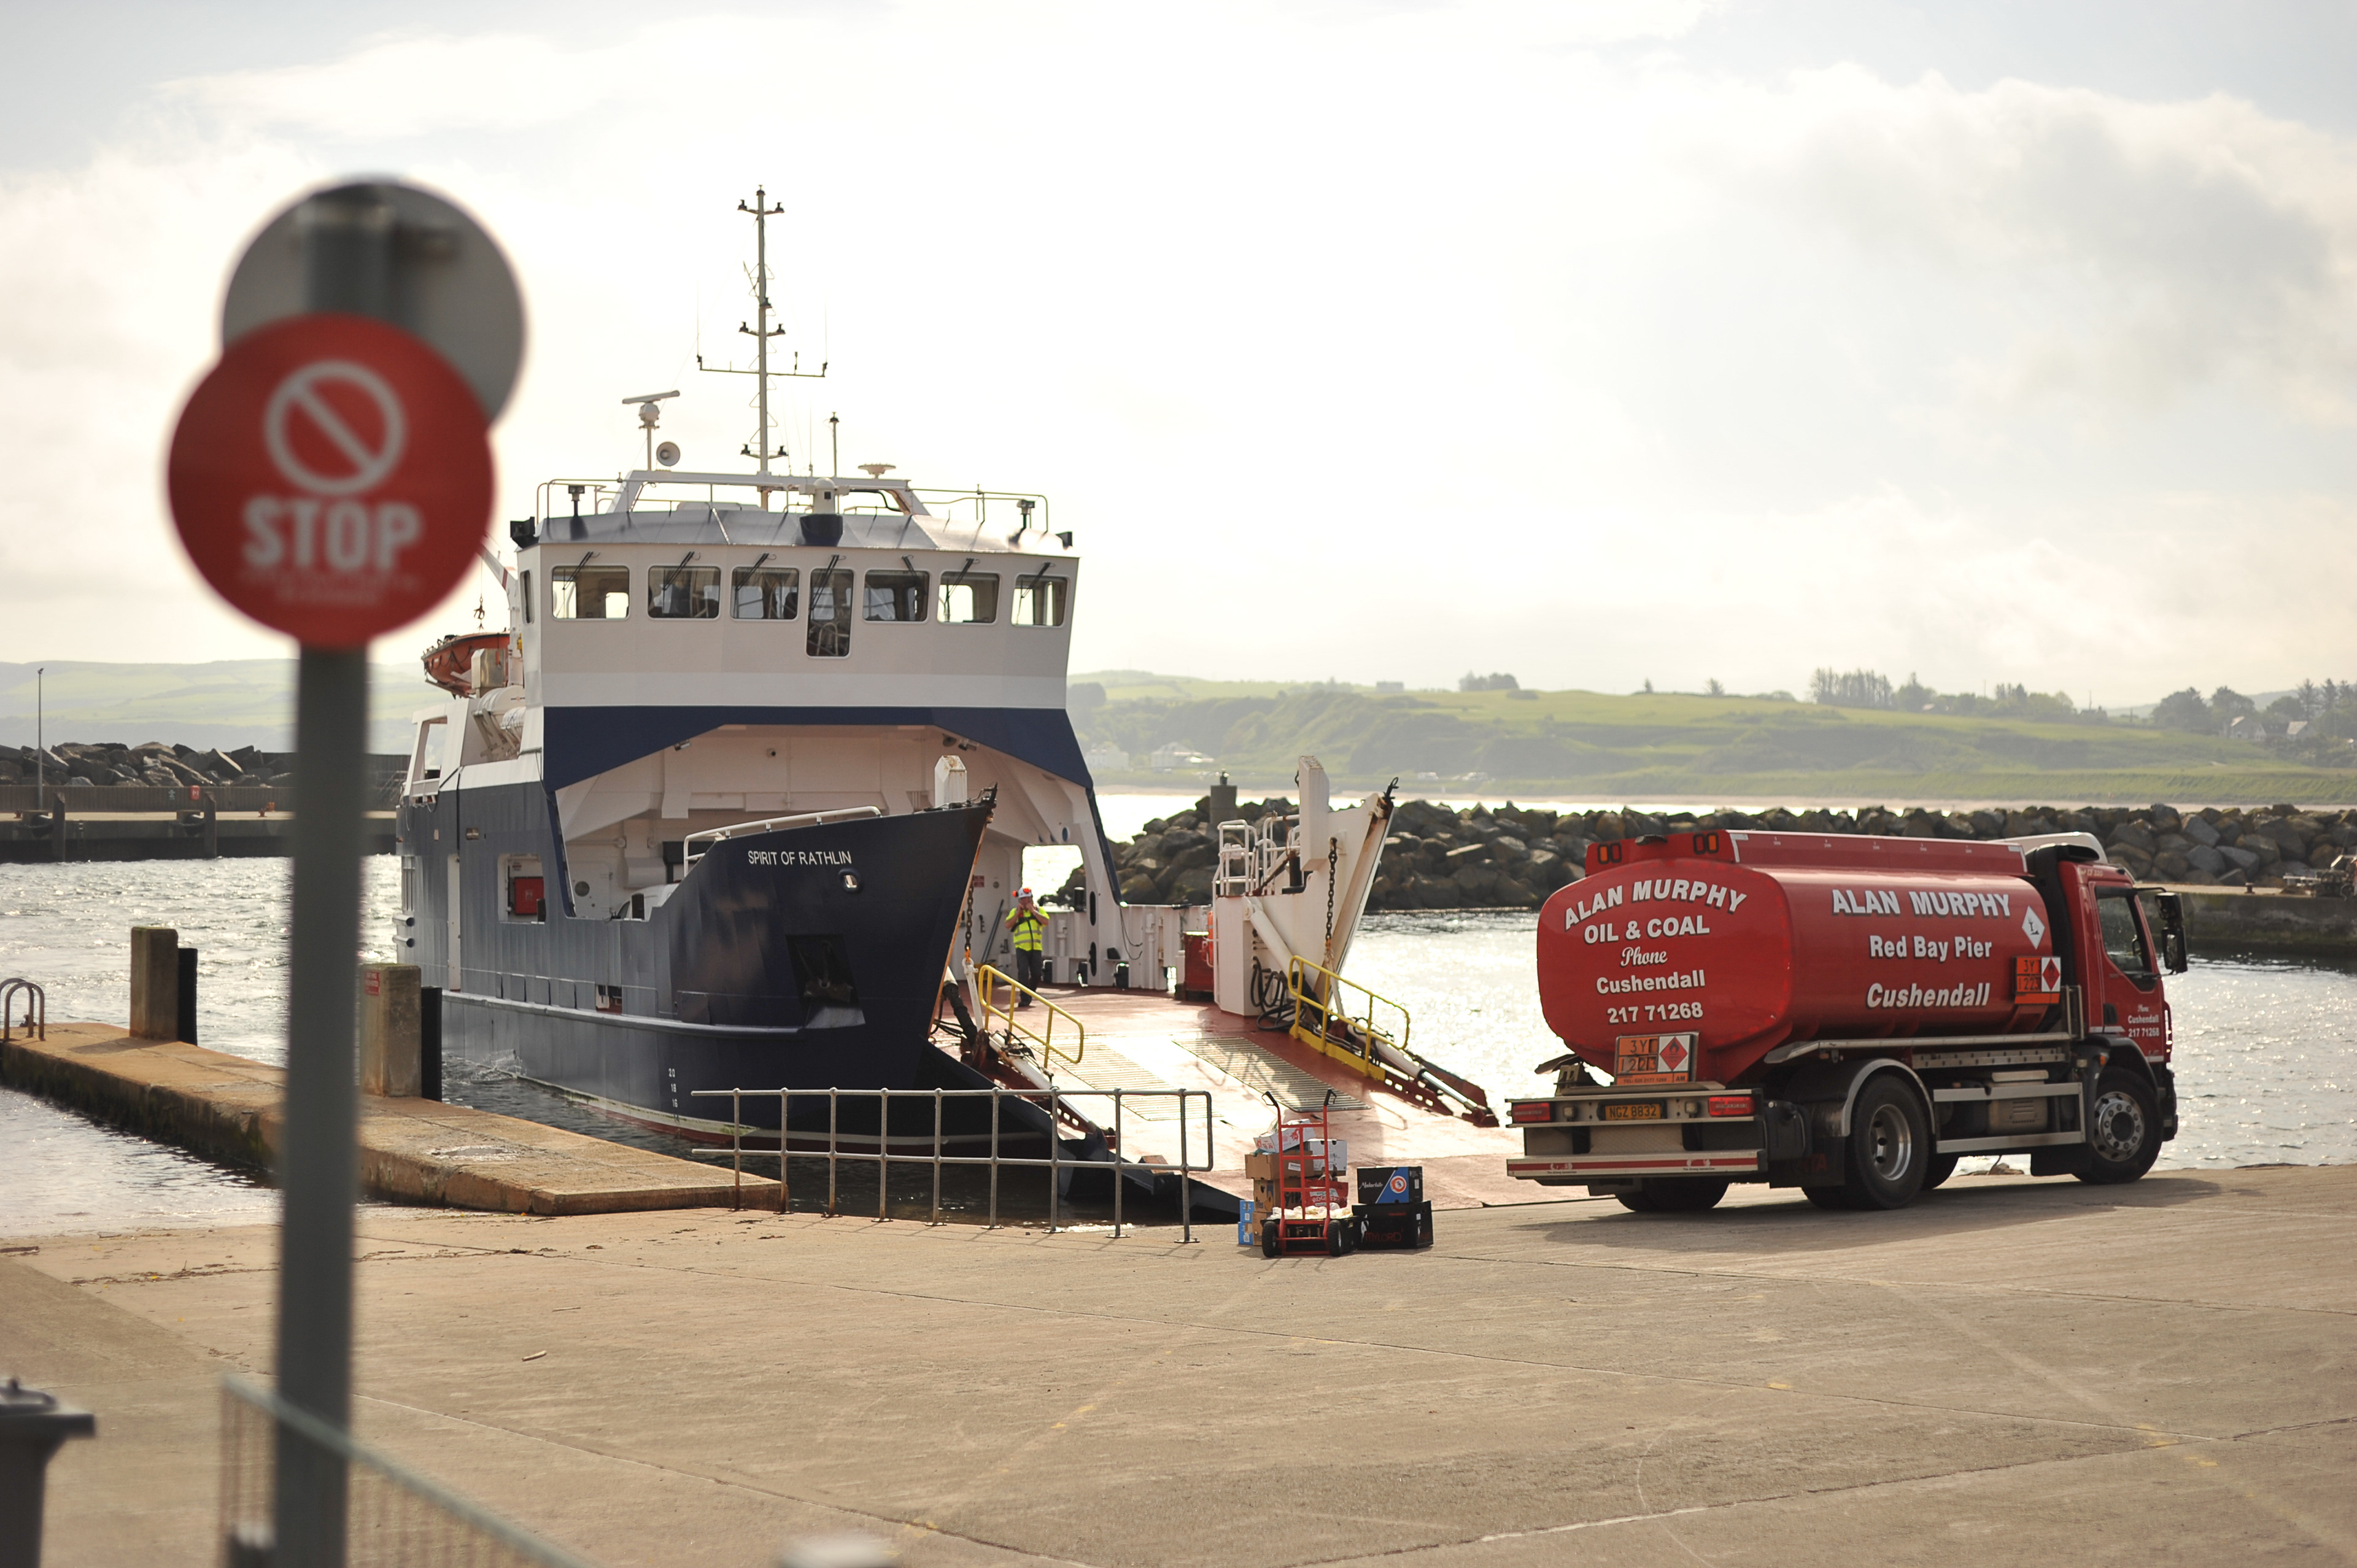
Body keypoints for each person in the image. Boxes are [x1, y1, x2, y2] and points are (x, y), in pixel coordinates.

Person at [1004, 887, 1047, 1005]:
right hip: (1021, 948)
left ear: (1031, 899)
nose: (1024, 901)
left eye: (1026, 899)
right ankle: (1025, 998)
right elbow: (1008, 925)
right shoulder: (1015, 912)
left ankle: (1030, 993)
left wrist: (1034, 912)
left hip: (1036, 948)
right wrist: (1017, 914)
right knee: (1023, 973)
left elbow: (1046, 921)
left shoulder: (1039, 910)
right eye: (1022, 899)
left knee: (1037, 974)